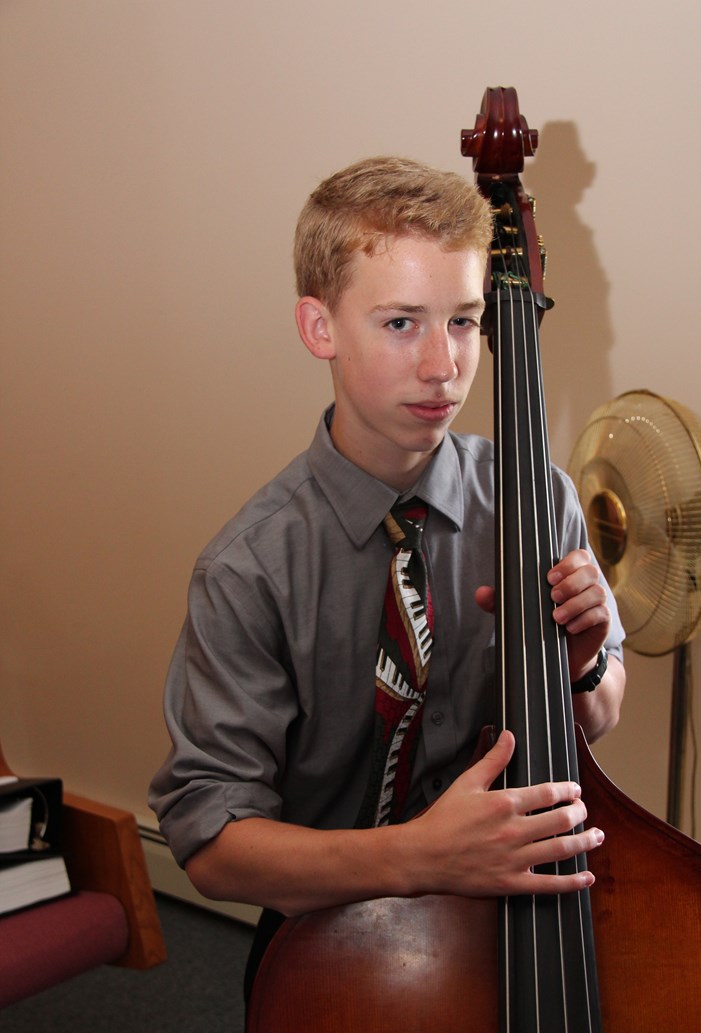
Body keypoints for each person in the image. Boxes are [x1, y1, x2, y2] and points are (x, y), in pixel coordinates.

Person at [149, 154, 625, 935]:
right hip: (327, 942)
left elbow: (598, 717)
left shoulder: (538, 499)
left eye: (464, 321)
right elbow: (210, 845)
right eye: (401, 323)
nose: (444, 368)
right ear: (320, 328)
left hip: (511, 920)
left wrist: (582, 664)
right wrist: (417, 856)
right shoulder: (249, 569)